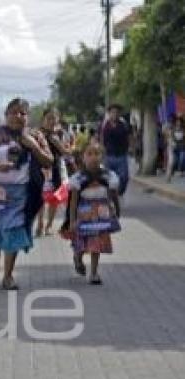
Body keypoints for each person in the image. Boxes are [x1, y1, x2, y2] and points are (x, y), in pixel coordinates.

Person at [0, 98, 53, 290]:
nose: (18, 116)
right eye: (13, 112)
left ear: (28, 117)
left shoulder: (36, 136)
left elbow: (49, 161)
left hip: (20, 193)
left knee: (14, 229)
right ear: (6, 115)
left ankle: (8, 276)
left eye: (23, 113)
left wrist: (33, 146)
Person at [63, 141, 120, 285]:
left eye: (97, 154)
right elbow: (73, 201)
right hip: (84, 213)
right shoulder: (78, 178)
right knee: (82, 243)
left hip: (101, 213)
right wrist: (72, 220)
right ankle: (78, 257)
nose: (93, 157)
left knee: (97, 243)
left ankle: (94, 273)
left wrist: (116, 210)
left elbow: (113, 195)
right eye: (89, 154)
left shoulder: (108, 176)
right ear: (83, 157)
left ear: (102, 157)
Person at [35, 107, 71, 237]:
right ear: (43, 119)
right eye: (49, 118)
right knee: (40, 198)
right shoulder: (36, 134)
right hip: (40, 169)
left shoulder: (60, 134)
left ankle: (49, 225)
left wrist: (63, 146)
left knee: (54, 199)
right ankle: (40, 223)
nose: (51, 121)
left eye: (54, 118)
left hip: (57, 169)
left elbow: (66, 151)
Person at [99, 104, 131, 196]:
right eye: (113, 112)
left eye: (117, 112)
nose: (115, 114)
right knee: (107, 178)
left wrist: (130, 148)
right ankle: (109, 195)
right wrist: (101, 152)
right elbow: (101, 138)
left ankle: (119, 192)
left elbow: (129, 136)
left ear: (120, 114)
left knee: (124, 177)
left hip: (121, 155)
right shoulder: (104, 125)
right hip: (108, 156)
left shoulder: (124, 124)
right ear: (109, 113)